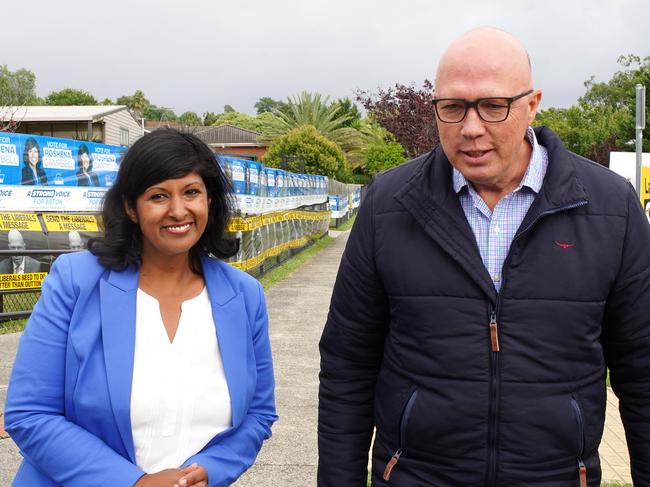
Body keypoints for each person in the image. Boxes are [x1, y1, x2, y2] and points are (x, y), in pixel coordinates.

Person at [318, 27, 650, 486]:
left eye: (494, 107)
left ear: (532, 104)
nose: (471, 129)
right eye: (453, 108)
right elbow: (347, 366)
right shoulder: (388, 205)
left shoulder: (611, 207)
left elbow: (642, 370)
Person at [5, 129, 277, 486]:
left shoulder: (244, 296)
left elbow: (258, 413)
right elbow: (30, 413)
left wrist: (209, 469)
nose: (178, 210)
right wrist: (133, 482)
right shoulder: (75, 282)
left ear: (210, 200)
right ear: (131, 208)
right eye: (158, 196)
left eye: (191, 192)